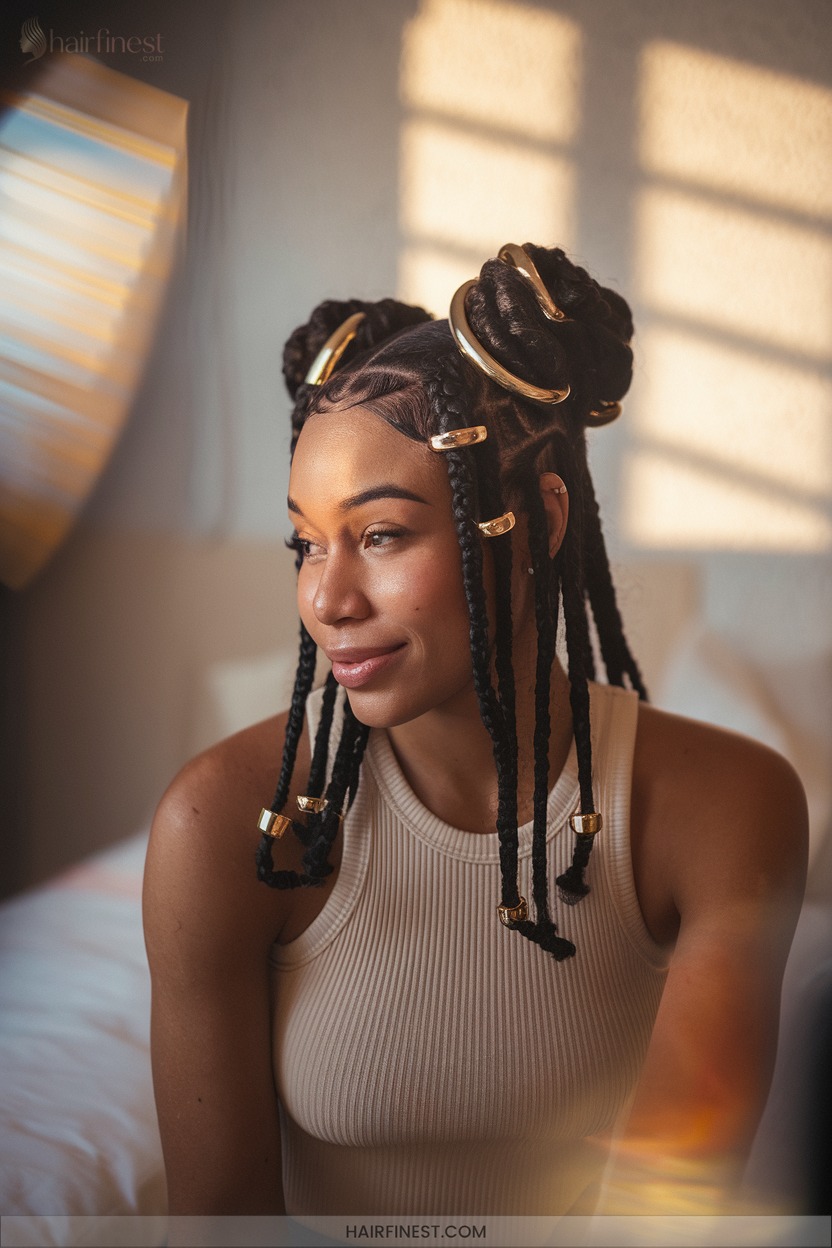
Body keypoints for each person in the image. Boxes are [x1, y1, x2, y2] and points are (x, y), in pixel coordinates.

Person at [143, 243, 808, 1219]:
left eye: (380, 536)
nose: (325, 597)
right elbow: (218, 1234)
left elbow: (668, 1221)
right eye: (306, 543)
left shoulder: (720, 812)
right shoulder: (224, 825)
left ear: (537, 522)